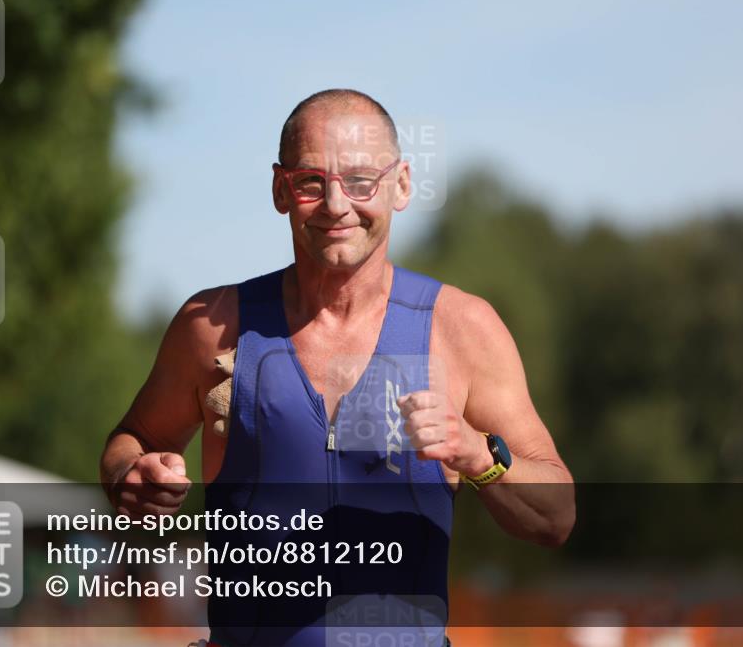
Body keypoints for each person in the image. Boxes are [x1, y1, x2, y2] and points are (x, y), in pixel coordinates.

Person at [100, 88, 575, 646]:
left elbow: (555, 517)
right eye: (310, 182)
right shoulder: (212, 326)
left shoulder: (463, 329)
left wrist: (477, 453)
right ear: (281, 189)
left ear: (400, 185)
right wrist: (131, 479)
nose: (335, 204)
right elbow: (131, 442)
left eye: (360, 181)